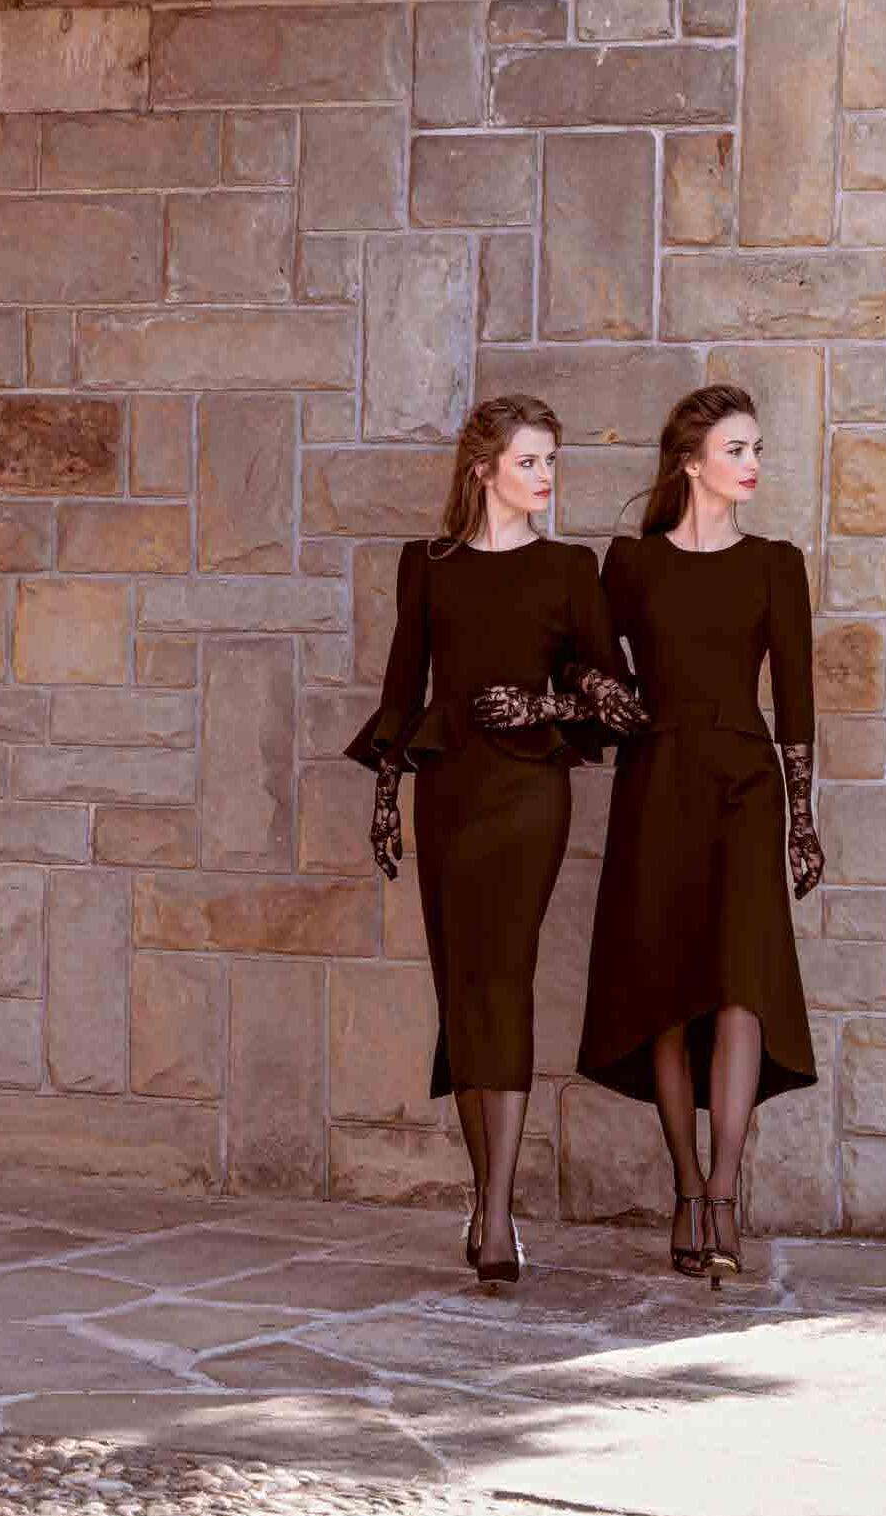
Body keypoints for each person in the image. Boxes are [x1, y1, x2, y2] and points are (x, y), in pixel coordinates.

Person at [348, 395, 645, 1285]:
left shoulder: (568, 568)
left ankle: (500, 1216)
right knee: (462, 987)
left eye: (551, 461)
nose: (545, 477)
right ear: (482, 470)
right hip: (446, 794)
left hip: (526, 796)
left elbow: (620, 702)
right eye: (528, 461)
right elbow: (403, 685)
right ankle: (484, 1197)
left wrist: (537, 703)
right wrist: (385, 798)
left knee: (502, 979)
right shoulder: (427, 564)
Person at [539, 383, 821, 1282]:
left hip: (743, 786)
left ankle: (725, 1194)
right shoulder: (631, 564)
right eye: (736, 449)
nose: (753, 464)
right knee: (663, 990)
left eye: (757, 449)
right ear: (690, 463)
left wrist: (802, 821)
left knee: (741, 987)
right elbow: (580, 657)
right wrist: (597, 690)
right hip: (655, 782)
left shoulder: (775, 564)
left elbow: (797, 702)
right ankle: (687, 1188)